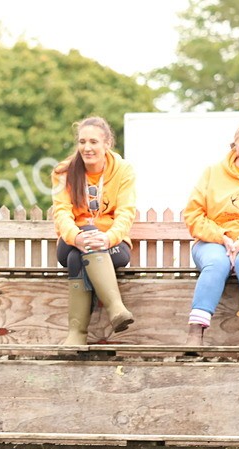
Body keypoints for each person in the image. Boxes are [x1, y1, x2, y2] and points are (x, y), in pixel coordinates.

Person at [51, 116, 137, 345]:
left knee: (75, 259)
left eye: (93, 142)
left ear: (107, 143)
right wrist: (76, 236)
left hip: (112, 246)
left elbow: (126, 213)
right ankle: (116, 309)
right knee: (76, 246)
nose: (87, 148)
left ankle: (77, 334)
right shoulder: (63, 171)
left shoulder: (123, 170)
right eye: (82, 142)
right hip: (72, 241)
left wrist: (108, 238)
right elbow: (61, 213)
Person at [182, 121, 239, 348]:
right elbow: (193, 215)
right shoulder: (212, 173)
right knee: (216, 262)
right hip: (215, 241)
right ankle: (195, 332)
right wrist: (223, 237)